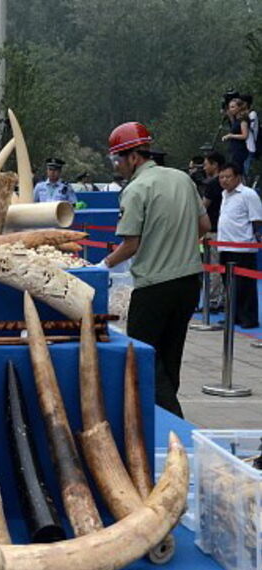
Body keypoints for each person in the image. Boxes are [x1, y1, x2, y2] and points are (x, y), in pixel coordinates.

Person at [98, 121, 209, 417]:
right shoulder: (182, 179)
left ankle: (173, 420)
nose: (117, 166)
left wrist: (104, 265)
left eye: (118, 159)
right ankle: (165, 421)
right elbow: (204, 225)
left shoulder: (136, 189)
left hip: (154, 287)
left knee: (141, 357)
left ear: (134, 157)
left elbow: (130, 245)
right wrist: (177, 242)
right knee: (170, 358)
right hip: (189, 283)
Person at [216, 162, 262, 328]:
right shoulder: (224, 195)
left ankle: (249, 318)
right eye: (221, 177)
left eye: (228, 177)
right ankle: (233, 316)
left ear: (237, 177)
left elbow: (257, 219)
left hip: (243, 247)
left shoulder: (248, 194)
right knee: (229, 285)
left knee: (245, 286)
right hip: (224, 245)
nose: (224, 180)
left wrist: (256, 238)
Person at [203, 151, 226, 310]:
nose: (204, 168)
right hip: (224, 231)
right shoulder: (229, 185)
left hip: (214, 231)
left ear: (215, 165)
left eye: (206, 164)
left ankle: (212, 300)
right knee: (222, 266)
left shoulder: (212, 184)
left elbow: (203, 207)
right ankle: (223, 299)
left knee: (214, 267)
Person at [222, 96, 250, 172]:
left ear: (239, 107)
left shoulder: (243, 120)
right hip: (234, 149)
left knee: (238, 169)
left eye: (233, 107)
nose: (231, 109)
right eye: (230, 107)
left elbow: (245, 135)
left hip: (240, 149)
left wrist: (231, 136)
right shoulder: (236, 120)